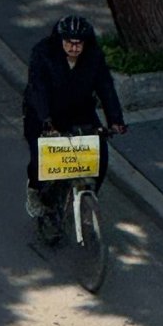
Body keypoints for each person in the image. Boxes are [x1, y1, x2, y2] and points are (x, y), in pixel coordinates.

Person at [21, 15, 127, 216]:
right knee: (40, 158)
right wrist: (46, 120)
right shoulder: (43, 53)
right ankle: (34, 190)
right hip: (44, 113)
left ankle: (88, 195)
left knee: (100, 155)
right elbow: (38, 89)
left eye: (79, 44)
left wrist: (115, 120)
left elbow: (106, 87)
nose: (74, 48)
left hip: (80, 110)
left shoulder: (94, 58)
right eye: (69, 43)